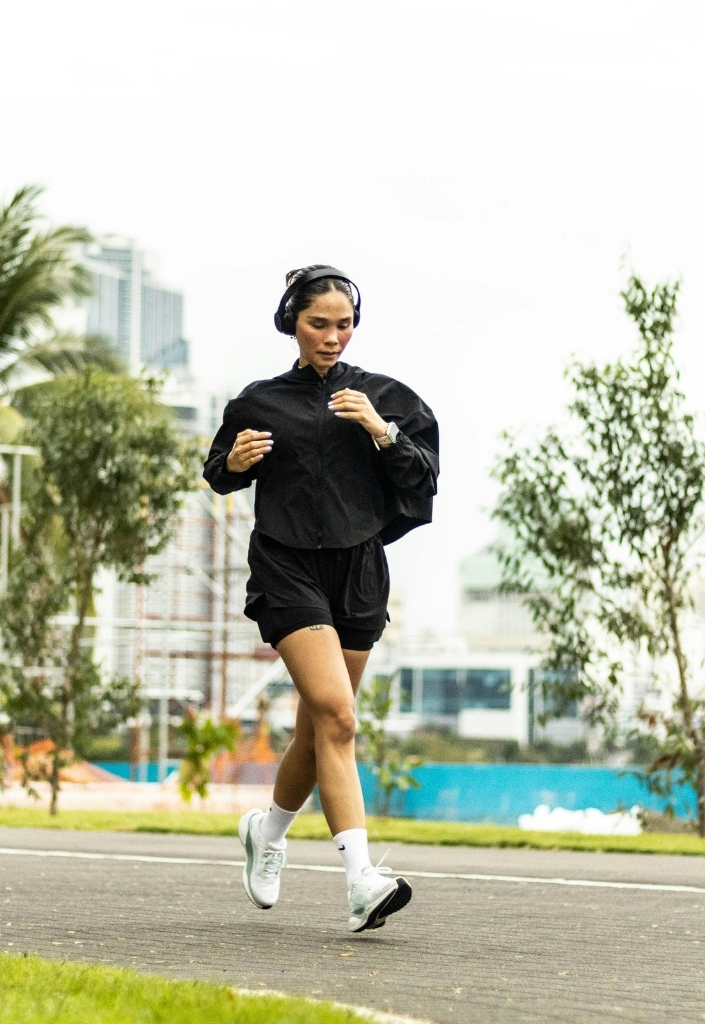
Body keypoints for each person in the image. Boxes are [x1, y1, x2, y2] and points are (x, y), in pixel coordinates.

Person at [203, 265, 439, 932]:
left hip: (358, 570)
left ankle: (268, 833)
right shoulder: (259, 401)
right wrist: (235, 464)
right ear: (292, 324)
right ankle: (362, 880)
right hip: (285, 566)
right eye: (319, 324)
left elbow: (423, 480)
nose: (333, 337)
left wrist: (380, 429)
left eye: (344, 324)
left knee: (318, 727)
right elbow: (219, 469)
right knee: (337, 714)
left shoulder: (387, 396)